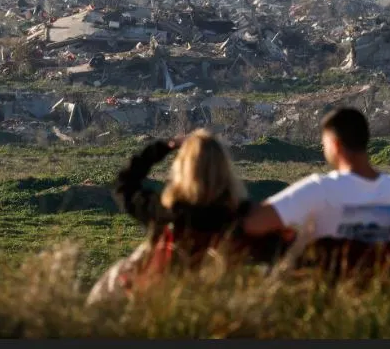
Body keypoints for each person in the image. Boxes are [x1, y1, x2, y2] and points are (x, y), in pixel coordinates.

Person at [87, 129, 283, 304]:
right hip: (217, 307)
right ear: (225, 171)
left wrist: (163, 147)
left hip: (161, 304)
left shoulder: (167, 214)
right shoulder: (241, 217)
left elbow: (124, 185)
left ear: (182, 170)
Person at [242, 107, 390, 281]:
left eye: (324, 144)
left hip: (325, 296)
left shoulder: (320, 189)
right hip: (378, 298)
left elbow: (253, 224)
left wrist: (300, 235)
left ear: (335, 145)